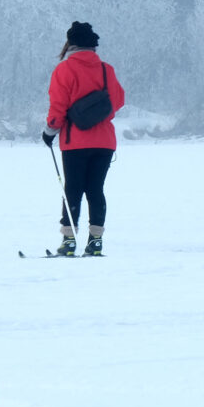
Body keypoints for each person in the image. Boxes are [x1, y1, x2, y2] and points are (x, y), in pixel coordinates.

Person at [43, 20, 125, 257]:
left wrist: (50, 132)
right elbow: (118, 101)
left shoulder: (64, 70)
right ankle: (96, 241)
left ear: (71, 44)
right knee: (96, 190)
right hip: (104, 142)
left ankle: (69, 241)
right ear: (93, 46)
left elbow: (58, 107)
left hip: (75, 142)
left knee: (73, 190)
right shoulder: (106, 70)